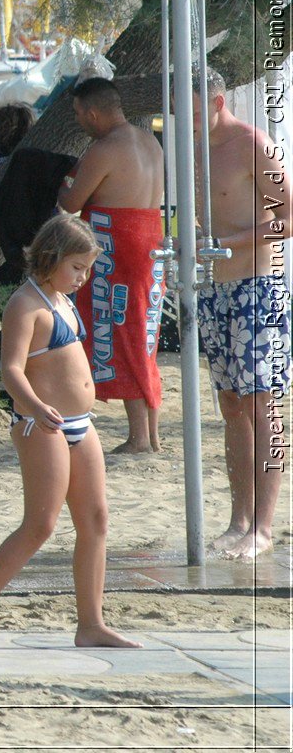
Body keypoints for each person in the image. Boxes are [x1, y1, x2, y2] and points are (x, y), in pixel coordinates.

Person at [0, 213, 140, 651]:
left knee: (96, 519)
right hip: (41, 423)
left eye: (87, 269)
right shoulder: (26, 304)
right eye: (77, 268)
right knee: (40, 524)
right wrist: (37, 407)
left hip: (79, 423)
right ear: (51, 257)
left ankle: (90, 624)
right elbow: (11, 370)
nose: (83, 278)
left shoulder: (62, 300)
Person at [197, 70, 290, 559]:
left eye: (192, 108)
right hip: (216, 289)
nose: (184, 118)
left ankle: (264, 527)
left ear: (217, 100)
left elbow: (289, 218)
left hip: (259, 288)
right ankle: (239, 519)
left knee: (262, 406)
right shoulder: (193, 147)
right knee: (231, 404)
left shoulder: (252, 143)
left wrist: (224, 244)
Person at [57, 76, 165, 454]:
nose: (79, 121)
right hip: (151, 238)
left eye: (78, 114)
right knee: (144, 335)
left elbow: (71, 201)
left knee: (123, 334)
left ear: (92, 112)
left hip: (119, 243)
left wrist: (64, 180)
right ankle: (150, 433)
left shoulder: (104, 148)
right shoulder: (149, 140)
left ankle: (139, 437)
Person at [0, 103, 37, 405]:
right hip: (38, 246)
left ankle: (8, 394)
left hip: (6, 252)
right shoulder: (39, 157)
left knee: (9, 327)